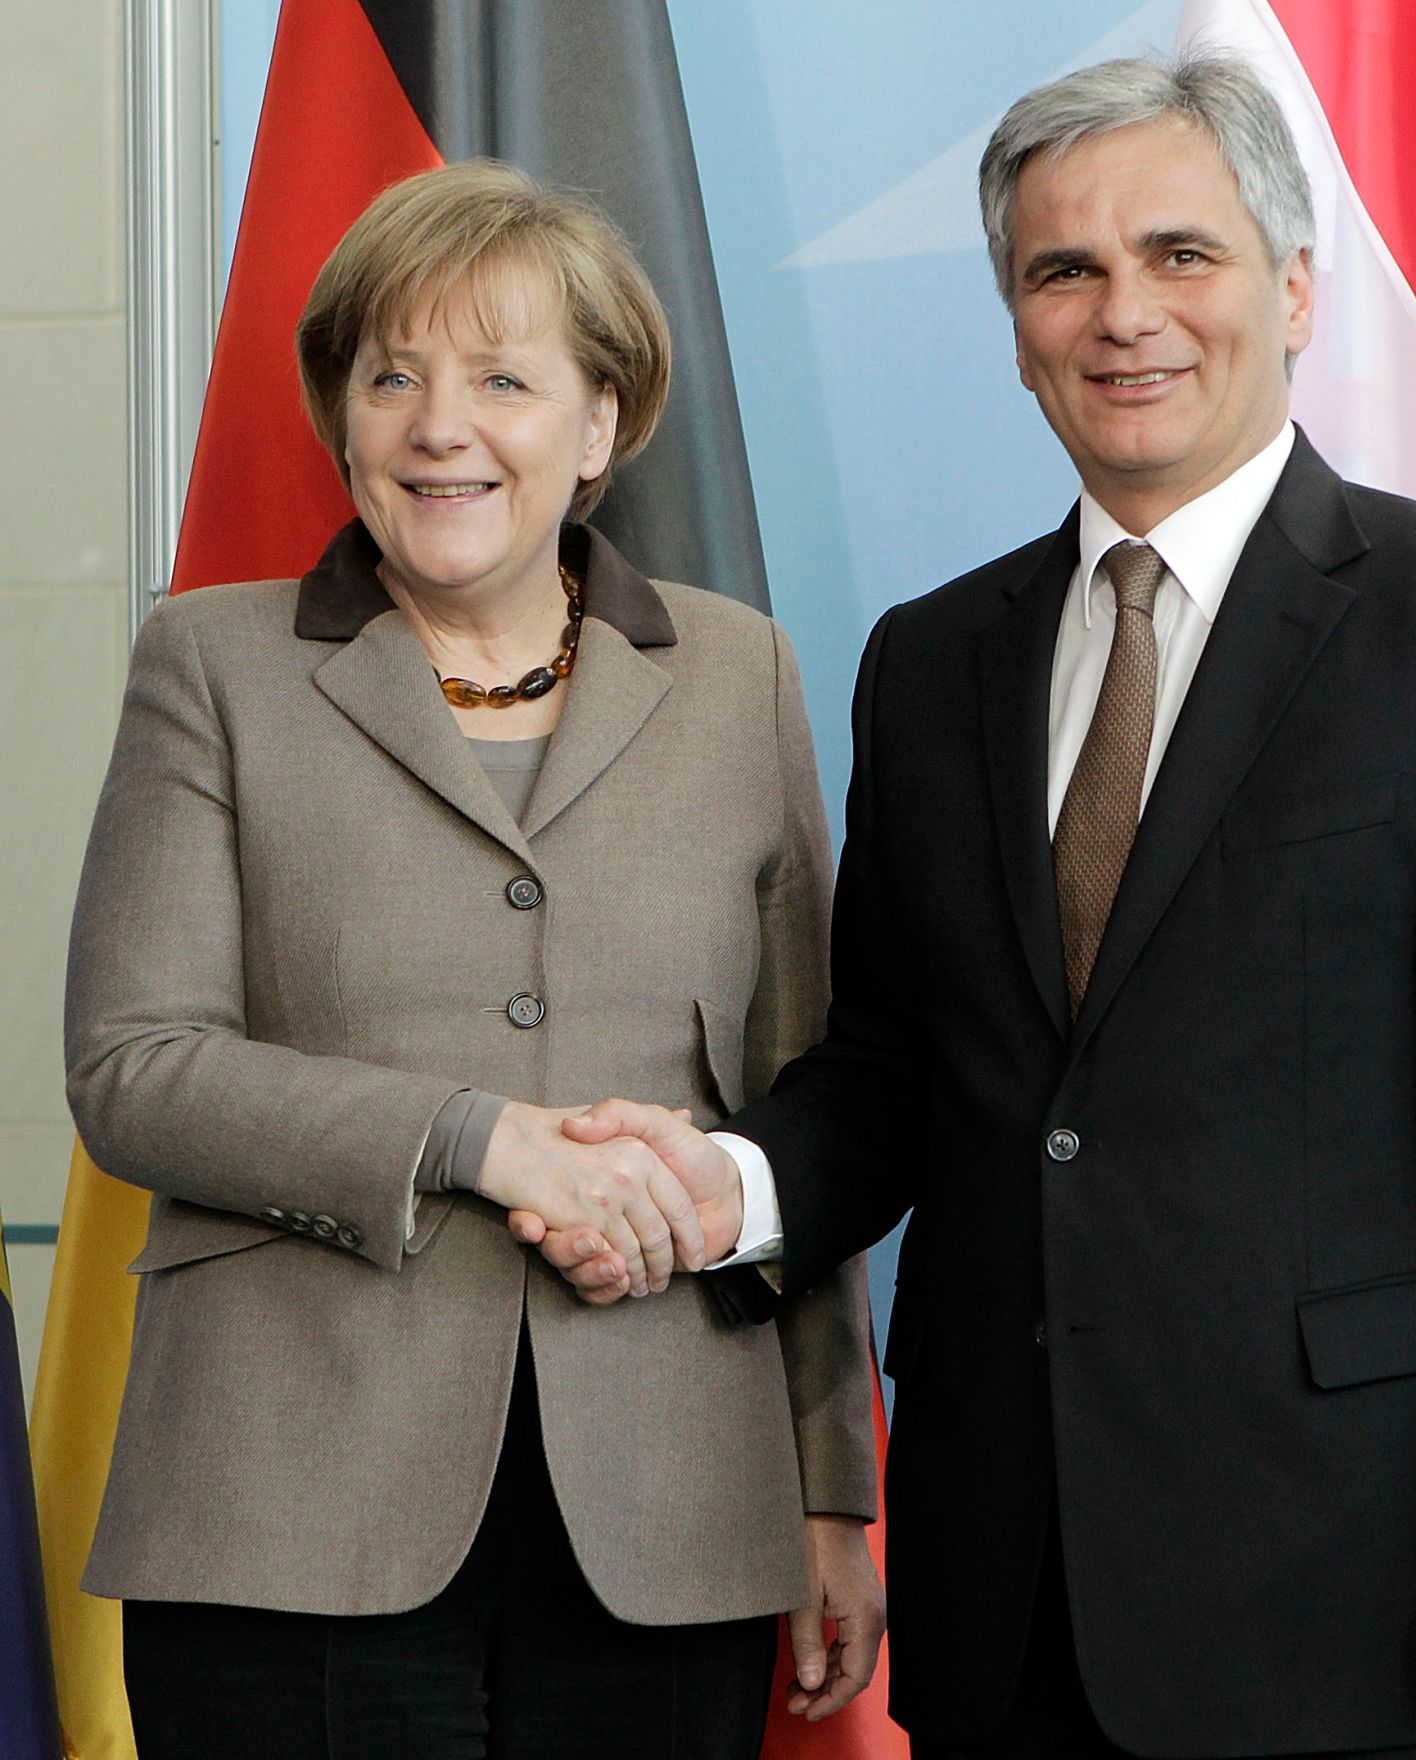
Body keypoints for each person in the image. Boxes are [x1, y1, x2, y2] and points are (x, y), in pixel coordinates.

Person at [522, 53, 1416, 1760]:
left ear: (1288, 289)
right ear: (1014, 321)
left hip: (1353, 1588)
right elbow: (900, 1076)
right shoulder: (931, 661)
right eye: (1064, 271)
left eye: (1179, 256)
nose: (1122, 313)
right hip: (1011, 1586)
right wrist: (717, 1186)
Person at [64, 160, 882, 1760]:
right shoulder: (209, 663)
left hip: (668, 1514)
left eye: (502, 379)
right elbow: (134, 1071)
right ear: (343, 419)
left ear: (598, 426)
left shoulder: (738, 674)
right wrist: (477, 1138)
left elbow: (803, 1109)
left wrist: (832, 1492)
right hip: (284, 1505)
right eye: (393, 377)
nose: (440, 426)